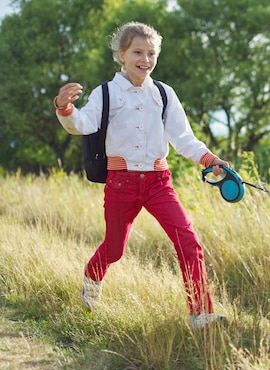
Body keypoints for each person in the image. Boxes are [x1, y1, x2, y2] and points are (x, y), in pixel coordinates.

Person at [54, 21, 228, 329]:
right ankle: (92, 278)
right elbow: (83, 124)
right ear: (121, 54)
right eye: (138, 52)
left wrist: (209, 159)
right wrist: (64, 107)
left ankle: (201, 314)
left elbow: (183, 138)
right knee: (115, 248)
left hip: (159, 183)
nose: (145, 60)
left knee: (188, 241)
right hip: (121, 183)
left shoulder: (163, 93)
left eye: (151, 53)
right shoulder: (105, 93)